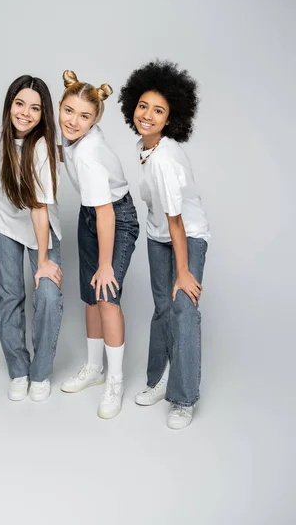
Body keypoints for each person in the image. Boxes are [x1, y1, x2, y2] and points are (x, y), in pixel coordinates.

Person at [118, 60, 210, 429]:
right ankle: (158, 380)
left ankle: (183, 399)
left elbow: (177, 220)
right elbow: (162, 218)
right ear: (132, 107)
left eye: (159, 111)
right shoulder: (145, 148)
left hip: (186, 235)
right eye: (143, 106)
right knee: (162, 309)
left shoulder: (165, 161)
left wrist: (184, 272)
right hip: (160, 235)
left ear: (171, 119)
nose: (148, 115)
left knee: (183, 309)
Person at [59, 70, 139, 419]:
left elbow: (106, 215)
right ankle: (94, 369)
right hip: (90, 214)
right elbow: (59, 151)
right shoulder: (69, 135)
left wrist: (106, 265)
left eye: (84, 116)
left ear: (95, 121)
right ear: (60, 107)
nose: (74, 121)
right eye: (68, 111)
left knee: (106, 296)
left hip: (115, 218)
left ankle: (115, 381)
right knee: (89, 297)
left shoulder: (89, 154)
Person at [0, 75, 63, 403]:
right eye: (20, 104)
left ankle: (40, 372)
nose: (25, 113)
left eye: (35, 108)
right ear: (9, 105)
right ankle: (18, 369)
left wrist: (44, 261)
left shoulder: (43, 146)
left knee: (47, 294)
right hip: (5, 222)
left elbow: (37, 207)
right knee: (9, 297)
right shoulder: (0, 138)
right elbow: (11, 193)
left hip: (41, 224)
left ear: (43, 113)